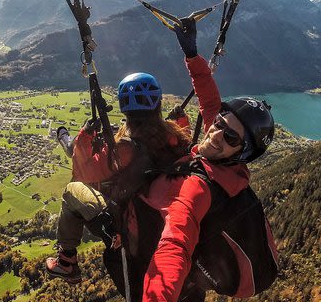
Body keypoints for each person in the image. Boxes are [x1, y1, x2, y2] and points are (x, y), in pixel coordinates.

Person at [101, 20, 277, 302]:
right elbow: (209, 101)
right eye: (220, 123)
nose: (216, 134)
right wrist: (192, 55)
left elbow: (175, 244)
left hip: (154, 262)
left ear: (242, 152)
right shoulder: (222, 160)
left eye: (231, 137)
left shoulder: (199, 187)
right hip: (192, 285)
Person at [44, 18, 216, 283]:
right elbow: (176, 147)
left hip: (127, 219)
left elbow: (83, 172)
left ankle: (67, 260)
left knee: (70, 191)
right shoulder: (175, 136)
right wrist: (181, 122)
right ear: (158, 104)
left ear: (125, 109)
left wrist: (86, 136)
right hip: (160, 210)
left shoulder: (123, 149)